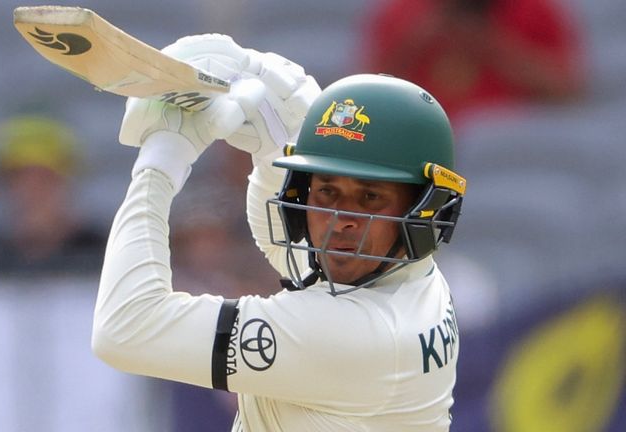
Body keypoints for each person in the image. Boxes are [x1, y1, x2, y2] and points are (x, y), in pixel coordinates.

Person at [91, 35, 467, 430]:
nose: (341, 220)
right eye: (327, 192)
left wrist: (161, 162)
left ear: (424, 207)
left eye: (370, 197)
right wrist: (276, 142)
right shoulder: (414, 276)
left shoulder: (355, 335)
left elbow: (125, 329)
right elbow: (289, 247)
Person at [361, 0, 583, 123]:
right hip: (420, 138)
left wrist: (490, 44)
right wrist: (416, 40)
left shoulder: (534, 9)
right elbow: (366, 92)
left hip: (507, 143)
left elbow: (566, 92)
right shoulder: (403, 11)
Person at [0, 114, 104, 275]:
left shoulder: (106, 254)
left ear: (68, 183)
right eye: (20, 178)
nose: (33, 190)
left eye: (45, 178)